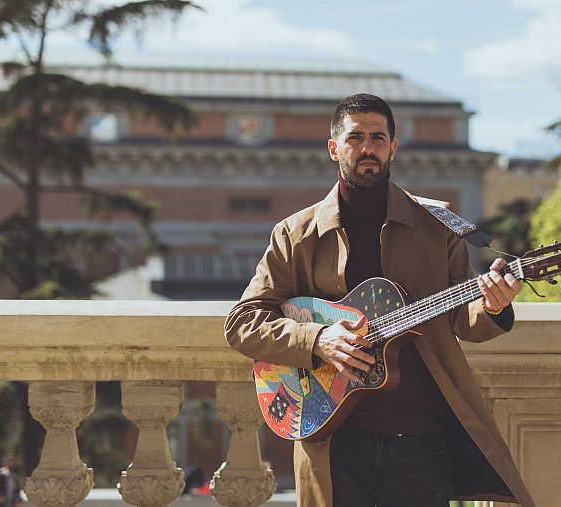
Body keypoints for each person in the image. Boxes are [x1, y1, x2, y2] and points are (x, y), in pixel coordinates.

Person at [225, 93, 535, 507]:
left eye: (378, 137)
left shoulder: (438, 224)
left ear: (393, 146)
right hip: (333, 441)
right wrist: (317, 340)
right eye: (356, 137)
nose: (367, 148)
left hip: (422, 441)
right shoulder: (295, 234)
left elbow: (463, 318)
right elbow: (243, 322)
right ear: (335, 148)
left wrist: (493, 303)